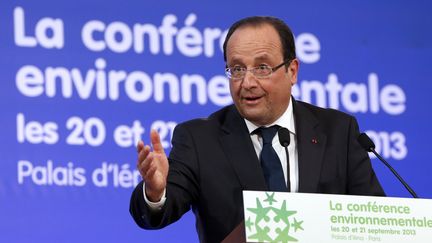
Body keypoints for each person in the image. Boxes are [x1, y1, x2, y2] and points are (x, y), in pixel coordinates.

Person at [130, 16, 385, 243]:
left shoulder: (339, 131)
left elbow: (374, 219)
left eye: (262, 68)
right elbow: (160, 211)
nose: (247, 82)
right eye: (237, 69)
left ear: (292, 71)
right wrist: (155, 192)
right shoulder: (199, 139)